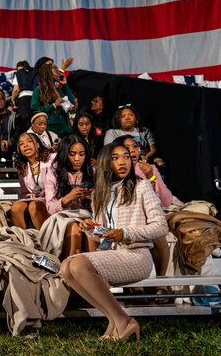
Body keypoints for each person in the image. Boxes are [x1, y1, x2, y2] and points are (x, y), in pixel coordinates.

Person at [61, 143, 168, 341]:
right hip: (113, 253)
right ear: (105, 163)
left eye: (126, 157)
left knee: (78, 264)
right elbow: (104, 234)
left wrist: (125, 233)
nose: (122, 162)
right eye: (115, 158)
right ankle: (114, 320)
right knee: (66, 268)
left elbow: (161, 227)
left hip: (137, 255)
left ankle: (124, 320)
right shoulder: (101, 193)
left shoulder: (141, 186)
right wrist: (91, 229)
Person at [114, 135, 174, 301]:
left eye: (135, 146)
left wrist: (152, 178)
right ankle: (136, 287)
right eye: (127, 148)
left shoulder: (148, 168)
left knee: (159, 237)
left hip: (148, 215)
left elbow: (166, 201)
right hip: (127, 217)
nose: (132, 150)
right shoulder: (116, 169)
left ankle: (160, 284)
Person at [42, 135, 96, 257]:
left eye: (82, 154)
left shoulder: (94, 172)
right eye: (72, 154)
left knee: (90, 226)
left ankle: (94, 266)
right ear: (64, 154)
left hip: (88, 216)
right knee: (74, 226)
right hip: (63, 218)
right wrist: (68, 198)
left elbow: (104, 207)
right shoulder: (53, 174)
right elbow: (50, 208)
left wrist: (93, 198)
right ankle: (70, 265)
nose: (77, 159)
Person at [10, 133, 54, 230]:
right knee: (16, 207)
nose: (25, 145)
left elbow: (60, 182)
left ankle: (45, 239)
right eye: (21, 144)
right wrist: (30, 196)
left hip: (53, 197)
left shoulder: (52, 159)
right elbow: (24, 193)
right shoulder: (23, 168)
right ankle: (25, 239)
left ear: (37, 145)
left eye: (29, 141)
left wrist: (45, 193)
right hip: (37, 199)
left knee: (34, 206)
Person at [31, 63, 75, 137]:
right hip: (49, 129)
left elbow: (72, 102)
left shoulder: (59, 90)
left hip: (64, 129)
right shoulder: (38, 90)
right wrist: (53, 105)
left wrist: (65, 84)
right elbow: (34, 108)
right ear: (48, 74)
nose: (58, 74)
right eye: (55, 72)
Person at [11, 61, 36, 129]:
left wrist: (12, 100)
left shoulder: (19, 73)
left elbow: (16, 90)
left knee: (25, 121)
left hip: (24, 99)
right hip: (35, 98)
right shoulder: (34, 72)